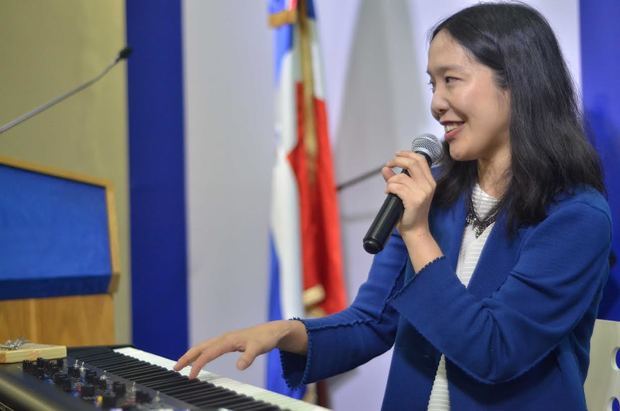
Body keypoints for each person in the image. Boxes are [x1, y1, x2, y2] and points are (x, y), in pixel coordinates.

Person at [175, 3, 612, 410]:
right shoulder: (436, 194)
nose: (437, 103)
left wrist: (418, 234)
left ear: (517, 83)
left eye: (451, 79)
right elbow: (372, 322)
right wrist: (284, 332)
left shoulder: (576, 216)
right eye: (432, 82)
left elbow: (494, 351)